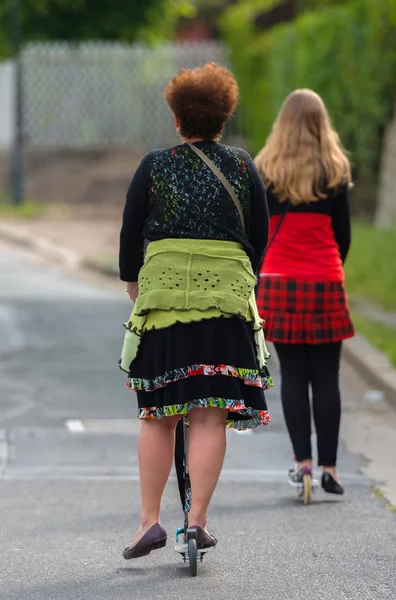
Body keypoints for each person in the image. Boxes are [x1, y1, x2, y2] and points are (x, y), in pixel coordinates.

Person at [118, 63, 272, 560]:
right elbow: (259, 239)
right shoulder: (244, 167)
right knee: (209, 416)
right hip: (226, 301)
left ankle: (148, 523)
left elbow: (130, 231)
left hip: (164, 302)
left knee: (157, 415)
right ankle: (197, 522)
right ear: (224, 116)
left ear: (178, 119)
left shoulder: (154, 165)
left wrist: (134, 283)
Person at [255, 89, 354, 496]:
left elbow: (258, 232)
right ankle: (330, 467)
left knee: (293, 374)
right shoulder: (335, 168)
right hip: (324, 280)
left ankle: (303, 465)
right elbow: (343, 236)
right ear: (321, 122)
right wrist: (328, 267)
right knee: (327, 376)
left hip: (277, 281)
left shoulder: (266, 168)